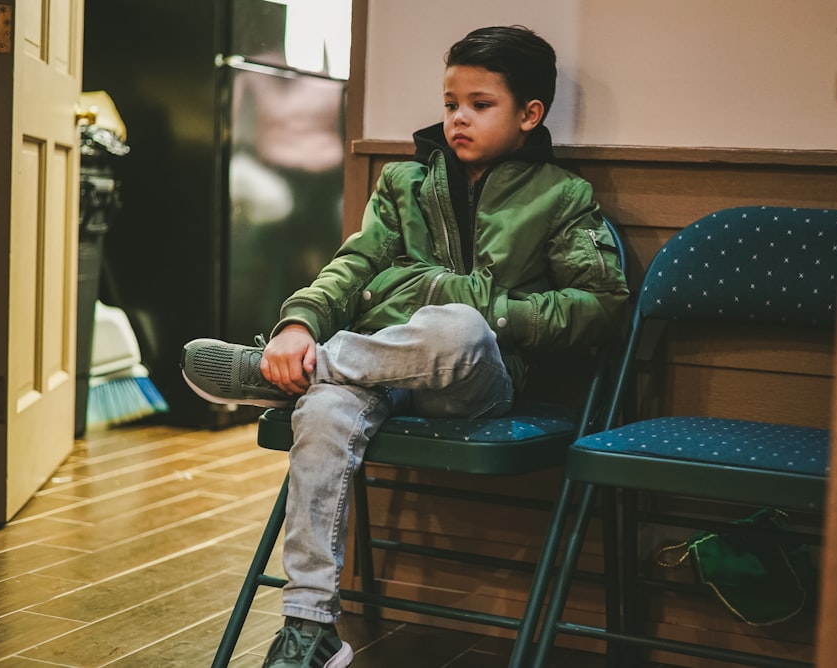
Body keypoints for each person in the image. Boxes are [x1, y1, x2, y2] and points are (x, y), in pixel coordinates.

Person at [181, 25, 629, 668]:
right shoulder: (404, 184)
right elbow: (351, 269)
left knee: (459, 327)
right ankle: (310, 631)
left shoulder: (561, 198)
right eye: (450, 103)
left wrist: (481, 306)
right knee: (324, 410)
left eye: (481, 104)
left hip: (478, 383)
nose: (458, 119)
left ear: (530, 114)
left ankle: (295, 373)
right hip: (382, 373)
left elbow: (602, 310)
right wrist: (298, 325)